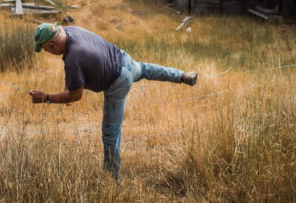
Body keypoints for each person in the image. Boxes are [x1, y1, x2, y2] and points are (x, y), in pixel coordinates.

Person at [29, 23, 198, 179]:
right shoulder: (70, 30)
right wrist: (68, 89)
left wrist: (46, 98)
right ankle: (182, 75)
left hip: (118, 82)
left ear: (52, 46)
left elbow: (76, 95)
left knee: (111, 132)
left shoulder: (73, 59)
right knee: (146, 69)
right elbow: (74, 78)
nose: (47, 52)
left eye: (45, 49)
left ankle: (111, 178)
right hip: (125, 59)